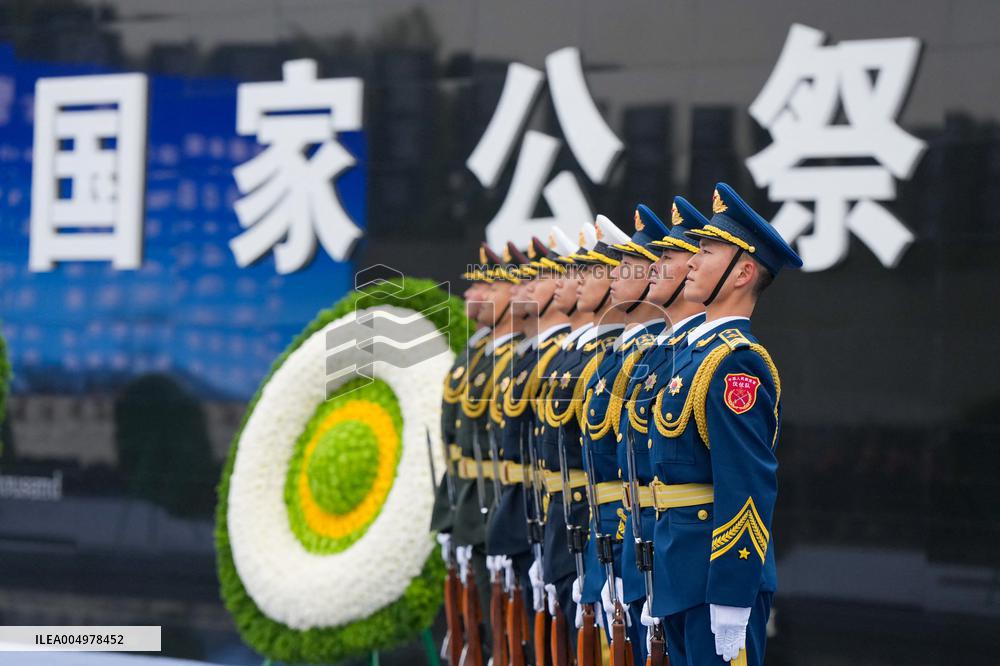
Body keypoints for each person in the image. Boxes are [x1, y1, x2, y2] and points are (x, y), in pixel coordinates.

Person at [639, 183, 802, 666]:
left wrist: (732, 596)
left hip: (715, 581)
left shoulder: (735, 366)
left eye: (707, 252)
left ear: (743, 272)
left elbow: (747, 485)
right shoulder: (693, 357)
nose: (690, 261)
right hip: (677, 572)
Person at [615, 196, 711, 662]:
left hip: (695, 560)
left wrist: (732, 591)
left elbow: (744, 483)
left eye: (665, 259)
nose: (645, 272)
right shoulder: (655, 355)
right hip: (651, 551)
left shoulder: (727, 361)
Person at [575, 204, 670, 660]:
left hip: (655, 542)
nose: (613, 278)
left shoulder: (656, 358)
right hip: (618, 540)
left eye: (623, 267)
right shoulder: (621, 357)